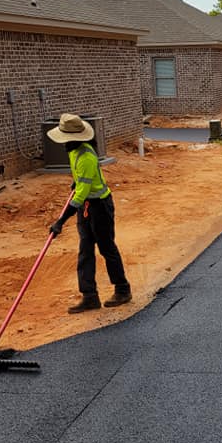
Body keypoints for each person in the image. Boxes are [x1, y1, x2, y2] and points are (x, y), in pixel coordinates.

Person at [47, 113, 132, 314]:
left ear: (75, 138)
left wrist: (60, 221)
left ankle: (122, 289)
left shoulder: (86, 156)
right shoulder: (72, 151)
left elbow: (80, 195)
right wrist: (76, 181)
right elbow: (81, 185)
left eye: (65, 139)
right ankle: (89, 296)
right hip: (86, 206)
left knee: (106, 248)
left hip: (100, 207)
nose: (63, 143)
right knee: (85, 250)